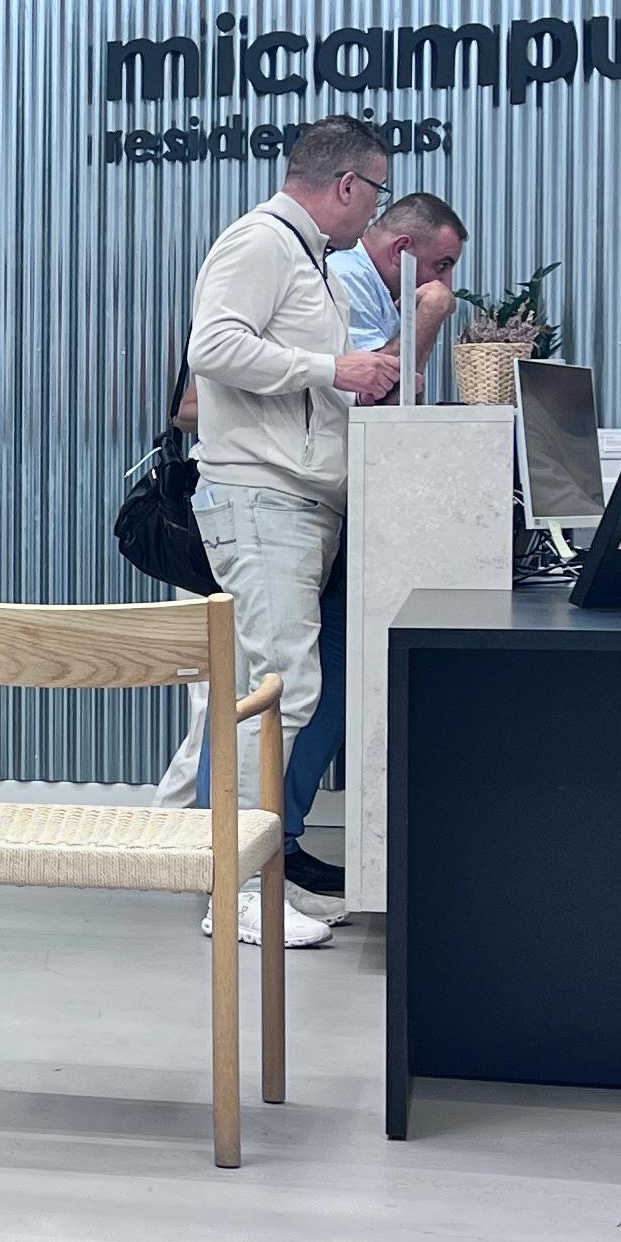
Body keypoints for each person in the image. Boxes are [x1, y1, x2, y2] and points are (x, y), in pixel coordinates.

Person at [180, 116, 404, 948]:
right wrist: (331, 368)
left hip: (296, 503)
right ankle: (233, 890)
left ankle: (260, 878)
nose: (376, 210)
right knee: (276, 692)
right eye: (377, 192)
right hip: (262, 499)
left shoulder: (311, 259)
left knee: (281, 691)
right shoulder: (261, 242)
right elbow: (213, 347)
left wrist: (354, 383)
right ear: (347, 185)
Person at [280, 189, 468, 894]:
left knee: (323, 679)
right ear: (404, 250)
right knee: (288, 682)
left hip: (339, 505)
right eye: (441, 265)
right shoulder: (347, 281)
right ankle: (253, 848)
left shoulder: (372, 290)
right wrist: (427, 315)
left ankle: (277, 837)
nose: (445, 282)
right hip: (297, 499)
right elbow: (375, 395)